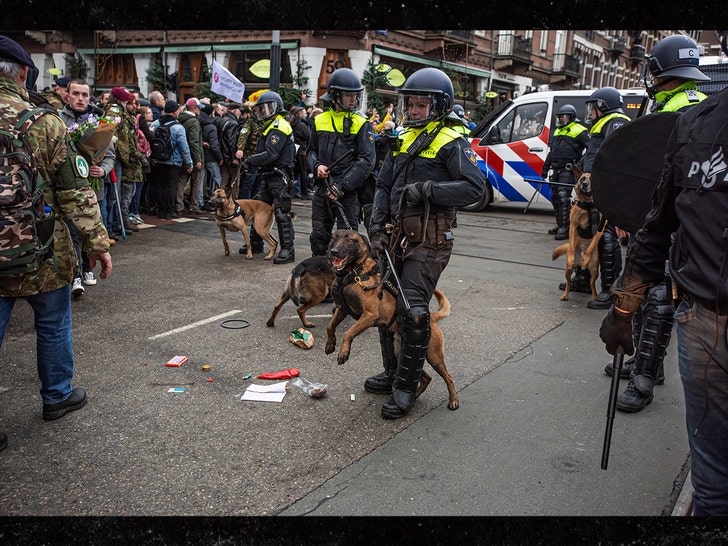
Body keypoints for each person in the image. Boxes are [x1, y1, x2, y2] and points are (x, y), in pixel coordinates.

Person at [599, 80, 728, 515]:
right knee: (712, 485)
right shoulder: (695, 123)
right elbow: (657, 224)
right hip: (704, 326)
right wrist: (622, 309)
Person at [0, 36, 112, 447]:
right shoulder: (42, 121)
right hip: (40, 249)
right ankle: (57, 396)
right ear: (24, 73)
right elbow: (72, 190)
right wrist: (97, 243)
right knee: (52, 323)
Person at [366, 67, 485, 419]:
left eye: (421, 106)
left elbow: (475, 189)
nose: (414, 111)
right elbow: (383, 186)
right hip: (397, 236)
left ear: (439, 106)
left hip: (430, 241)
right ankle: (393, 373)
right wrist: (376, 229)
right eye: (411, 105)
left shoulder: (452, 141)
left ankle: (407, 387)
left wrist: (428, 189)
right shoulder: (402, 138)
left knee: (414, 311)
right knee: (387, 307)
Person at [607, 34, 710, 413]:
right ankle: (644, 362)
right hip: (684, 225)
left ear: (660, 72)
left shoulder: (678, 112)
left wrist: (630, 215)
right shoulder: (699, 105)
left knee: (656, 296)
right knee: (651, 292)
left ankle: (645, 378)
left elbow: (652, 177)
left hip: (668, 223)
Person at [307, 67, 375, 257]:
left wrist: (342, 187)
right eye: (348, 95)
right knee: (319, 236)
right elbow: (311, 151)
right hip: (322, 187)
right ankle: (320, 276)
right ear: (335, 96)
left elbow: (367, 160)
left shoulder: (362, 123)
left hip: (347, 192)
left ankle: (347, 281)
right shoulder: (319, 120)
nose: (353, 99)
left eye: (355, 95)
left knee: (347, 241)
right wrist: (316, 166)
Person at [59, 79, 117, 292]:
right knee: (71, 230)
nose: (80, 98)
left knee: (90, 228)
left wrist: (102, 170)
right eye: (76, 94)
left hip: (92, 185)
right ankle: (74, 274)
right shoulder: (57, 118)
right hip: (66, 187)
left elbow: (110, 155)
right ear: (68, 95)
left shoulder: (99, 121)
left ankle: (87, 267)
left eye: (84, 94)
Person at [577, 86, 631, 310]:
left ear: (603, 106)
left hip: (608, 189)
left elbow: (617, 155)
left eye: (593, 106)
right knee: (586, 234)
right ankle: (583, 279)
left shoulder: (616, 122)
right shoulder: (602, 124)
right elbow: (592, 154)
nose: (590, 111)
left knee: (607, 240)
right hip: (595, 188)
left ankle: (610, 289)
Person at [242, 91, 297, 264]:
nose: (265, 111)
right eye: (262, 109)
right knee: (259, 209)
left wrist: (250, 160)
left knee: (281, 213)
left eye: (268, 108)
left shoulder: (279, 125)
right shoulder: (270, 125)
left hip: (279, 176)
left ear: (277, 108)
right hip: (269, 174)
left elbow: (272, 154)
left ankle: (288, 249)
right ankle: (257, 242)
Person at [541, 104, 589, 241]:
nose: (562, 119)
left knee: (563, 197)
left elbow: (589, 150)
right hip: (555, 169)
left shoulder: (580, 130)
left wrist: (578, 165)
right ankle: (560, 224)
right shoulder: (558, 131)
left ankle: (565, 228)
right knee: (555, 197)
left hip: (567, 170)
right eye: (560, 117)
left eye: (564, 117)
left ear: (571, 117)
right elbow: (552, 152)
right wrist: (545, 167)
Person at [150, 100, 192, 220]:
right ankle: (169, 211)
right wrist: (189, 163)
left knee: (160, 185)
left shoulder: (155, 124)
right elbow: (184, 147)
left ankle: (161, 210)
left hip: (157, 160)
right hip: (174, 161)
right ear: (175, 111)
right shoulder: (178, 127)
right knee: (172, 186)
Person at [178, 97, 205, 215]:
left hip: (183, 156)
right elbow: (194, 142)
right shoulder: (193, 121)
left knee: (181, 181)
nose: (200, 110)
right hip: (193, 157)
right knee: (196, 182)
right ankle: (194, 206)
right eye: (199, 107)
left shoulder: (180, 119)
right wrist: (197, 160)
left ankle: (179, 205)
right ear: (193, 108)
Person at [198, 102, 223, 211]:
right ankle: (215, 201)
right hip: (211, 157)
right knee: (217, 178)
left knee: (200, 180)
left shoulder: (197, 122)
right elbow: (214, 145)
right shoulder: (211, 126)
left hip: (200, 156)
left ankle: (199, 202)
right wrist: (220, 157)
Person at [289, 106, 312, 199]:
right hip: (301, 151)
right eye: (305, 113)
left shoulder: (293, 123)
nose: (306, 114)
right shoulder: (301, 125)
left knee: (296, 172)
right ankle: (304, 193)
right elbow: (309, 137)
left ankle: (295, 191)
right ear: (301, 114)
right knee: (302, 173)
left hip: (295, 150)